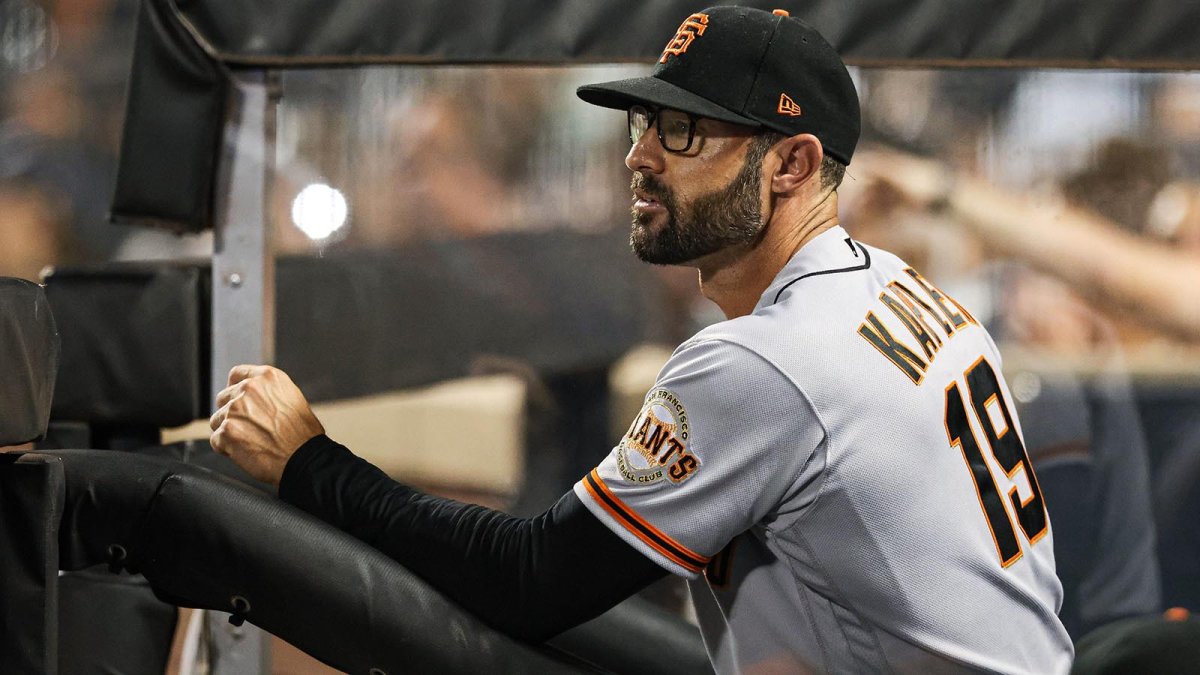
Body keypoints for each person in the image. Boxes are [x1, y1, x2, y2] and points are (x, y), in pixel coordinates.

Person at [209, 7, 1073, 672]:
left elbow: (530, 578)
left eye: (684, 131)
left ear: (794, 166)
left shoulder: (768, 359)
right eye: (646, 123)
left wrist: (307, 462)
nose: (641, 156)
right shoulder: (903, 289)